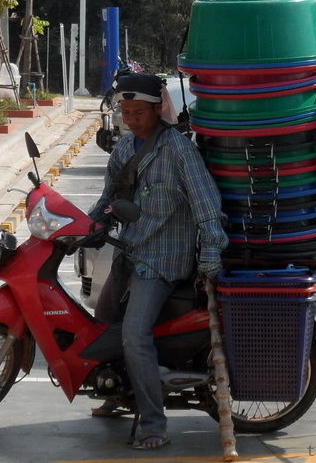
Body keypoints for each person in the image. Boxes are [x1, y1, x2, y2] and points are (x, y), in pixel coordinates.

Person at [87, 72, 228, 450]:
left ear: (157, 110)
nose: (131, 120)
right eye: (126, 112)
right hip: (128, 253)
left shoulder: (179, 150)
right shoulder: (124, 149)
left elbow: (206, 206)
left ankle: (153, 422)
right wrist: (87, 226)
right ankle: (120, 393)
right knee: (100, 331)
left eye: (138, 112)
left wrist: (212, 251)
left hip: (162, 260)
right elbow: (107, 200)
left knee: (134, 335)